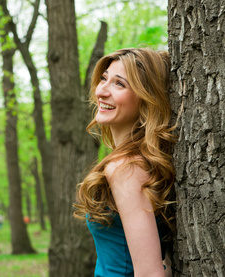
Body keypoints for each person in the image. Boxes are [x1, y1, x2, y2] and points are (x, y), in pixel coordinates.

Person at [74, 48, 176, 277]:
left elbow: (151, 273)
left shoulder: (126, 169)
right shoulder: (137, 162)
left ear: (146, 98)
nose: (101, 91)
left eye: (119, 84)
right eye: (104, 78)